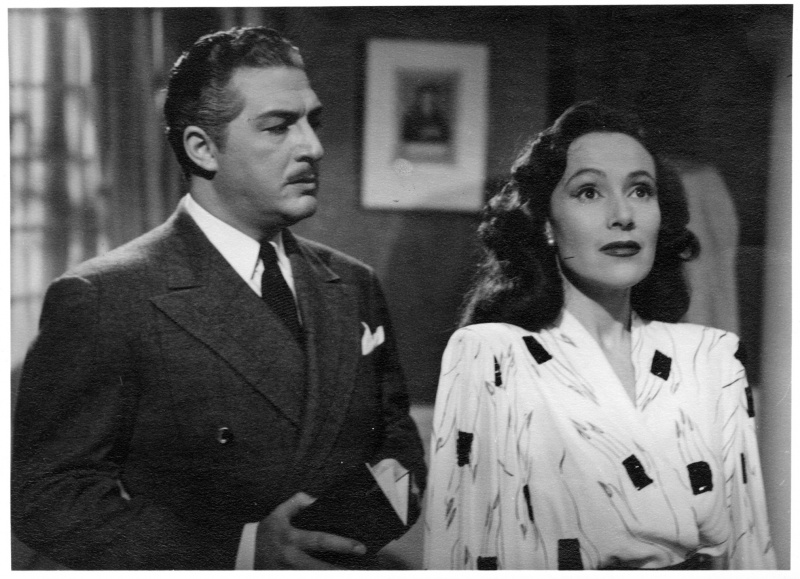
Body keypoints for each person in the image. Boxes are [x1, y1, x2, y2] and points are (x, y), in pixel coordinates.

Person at [12, 26, 426, 570]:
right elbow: (48, 498)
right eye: (279, 126)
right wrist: (243, 549)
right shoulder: (105, 297)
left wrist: (368, 511)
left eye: (313, 121)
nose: (313, 147)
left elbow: (397, 438)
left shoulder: (354, 284)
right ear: (202, 148)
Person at [423, 101, 776, 570]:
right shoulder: (492, 356)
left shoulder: (712, 358)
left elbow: (752, 550)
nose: (623, 214)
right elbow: (461, 553)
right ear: (545, 223)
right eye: (589, 192)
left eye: (640, 191)